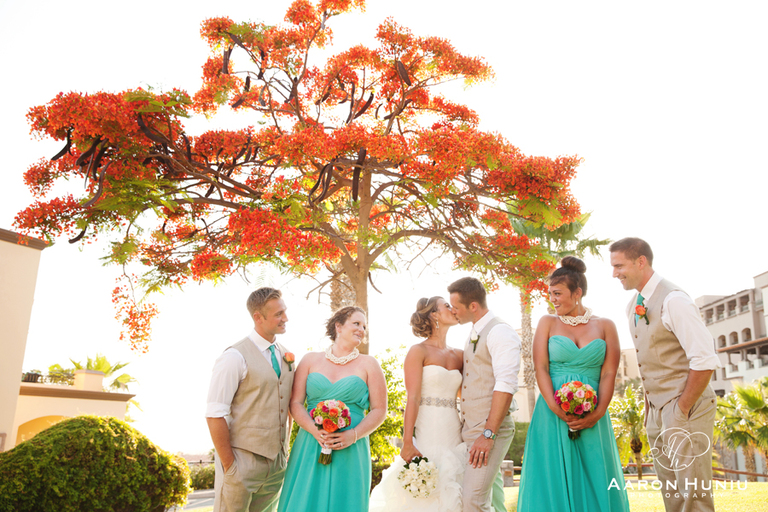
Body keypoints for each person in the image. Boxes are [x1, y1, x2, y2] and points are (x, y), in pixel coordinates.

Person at [610, 238, 720, 512]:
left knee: (694, 496)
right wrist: (651, 410)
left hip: (686, 408)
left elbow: (705, 360)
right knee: (672, 493)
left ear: (641, 261)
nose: (615, 273)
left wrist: (680, 410)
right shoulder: (632, 305)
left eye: (619, 265)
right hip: (657, 412)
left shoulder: (674, 300)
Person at [517, 256, 630, 512]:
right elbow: (541, 369)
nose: (552, 299)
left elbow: (609, 373)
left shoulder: (606, 325)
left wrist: (598, 414)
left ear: (577, 293)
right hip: (552, 412)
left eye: (557, 293)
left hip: (594, 413)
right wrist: (557, 410)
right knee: (552, 474)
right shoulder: (547, 323)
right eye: (550, 294)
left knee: (595, 472)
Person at [276, 306, 387, 512]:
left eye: (364, 326)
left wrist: (352, 435)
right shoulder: (310, 360)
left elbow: (380, 410)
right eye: (356, 323)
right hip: (311, 441)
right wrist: (314, 430)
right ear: (338, 326)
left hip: (351, 446)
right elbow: (295, 403)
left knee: (344, 500)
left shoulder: (369, 364)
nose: (361, 329)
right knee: (305, 499)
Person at [370, 296, 466, 512]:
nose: (453, 309)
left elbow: (466, 394)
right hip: (428, 427)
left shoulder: (461, 355)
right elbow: (412, 398)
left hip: (453, 426)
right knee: (427, 485)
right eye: (446, 306)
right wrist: (407, 440)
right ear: (434, 314)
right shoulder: (418, 351)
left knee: (454, 482)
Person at [205, 287, 295, 512]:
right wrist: (230, 466)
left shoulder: (286, 355)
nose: (286, 318)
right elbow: (215, 413)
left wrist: (284, 453)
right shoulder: (234, 357)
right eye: (278, 314)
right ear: (258, 317)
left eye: (284, 312)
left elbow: (289, 406)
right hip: (241, 462)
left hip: (276, 466)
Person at [448, 277, 519, 512]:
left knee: (473, 501)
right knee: (476, 500)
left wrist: (488, 434)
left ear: (473, 307)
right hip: (471, 428)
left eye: (456, 308)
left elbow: (506, 384)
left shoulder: (500, 332)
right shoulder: (474, 331)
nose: (453, 312)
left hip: (490, 429)